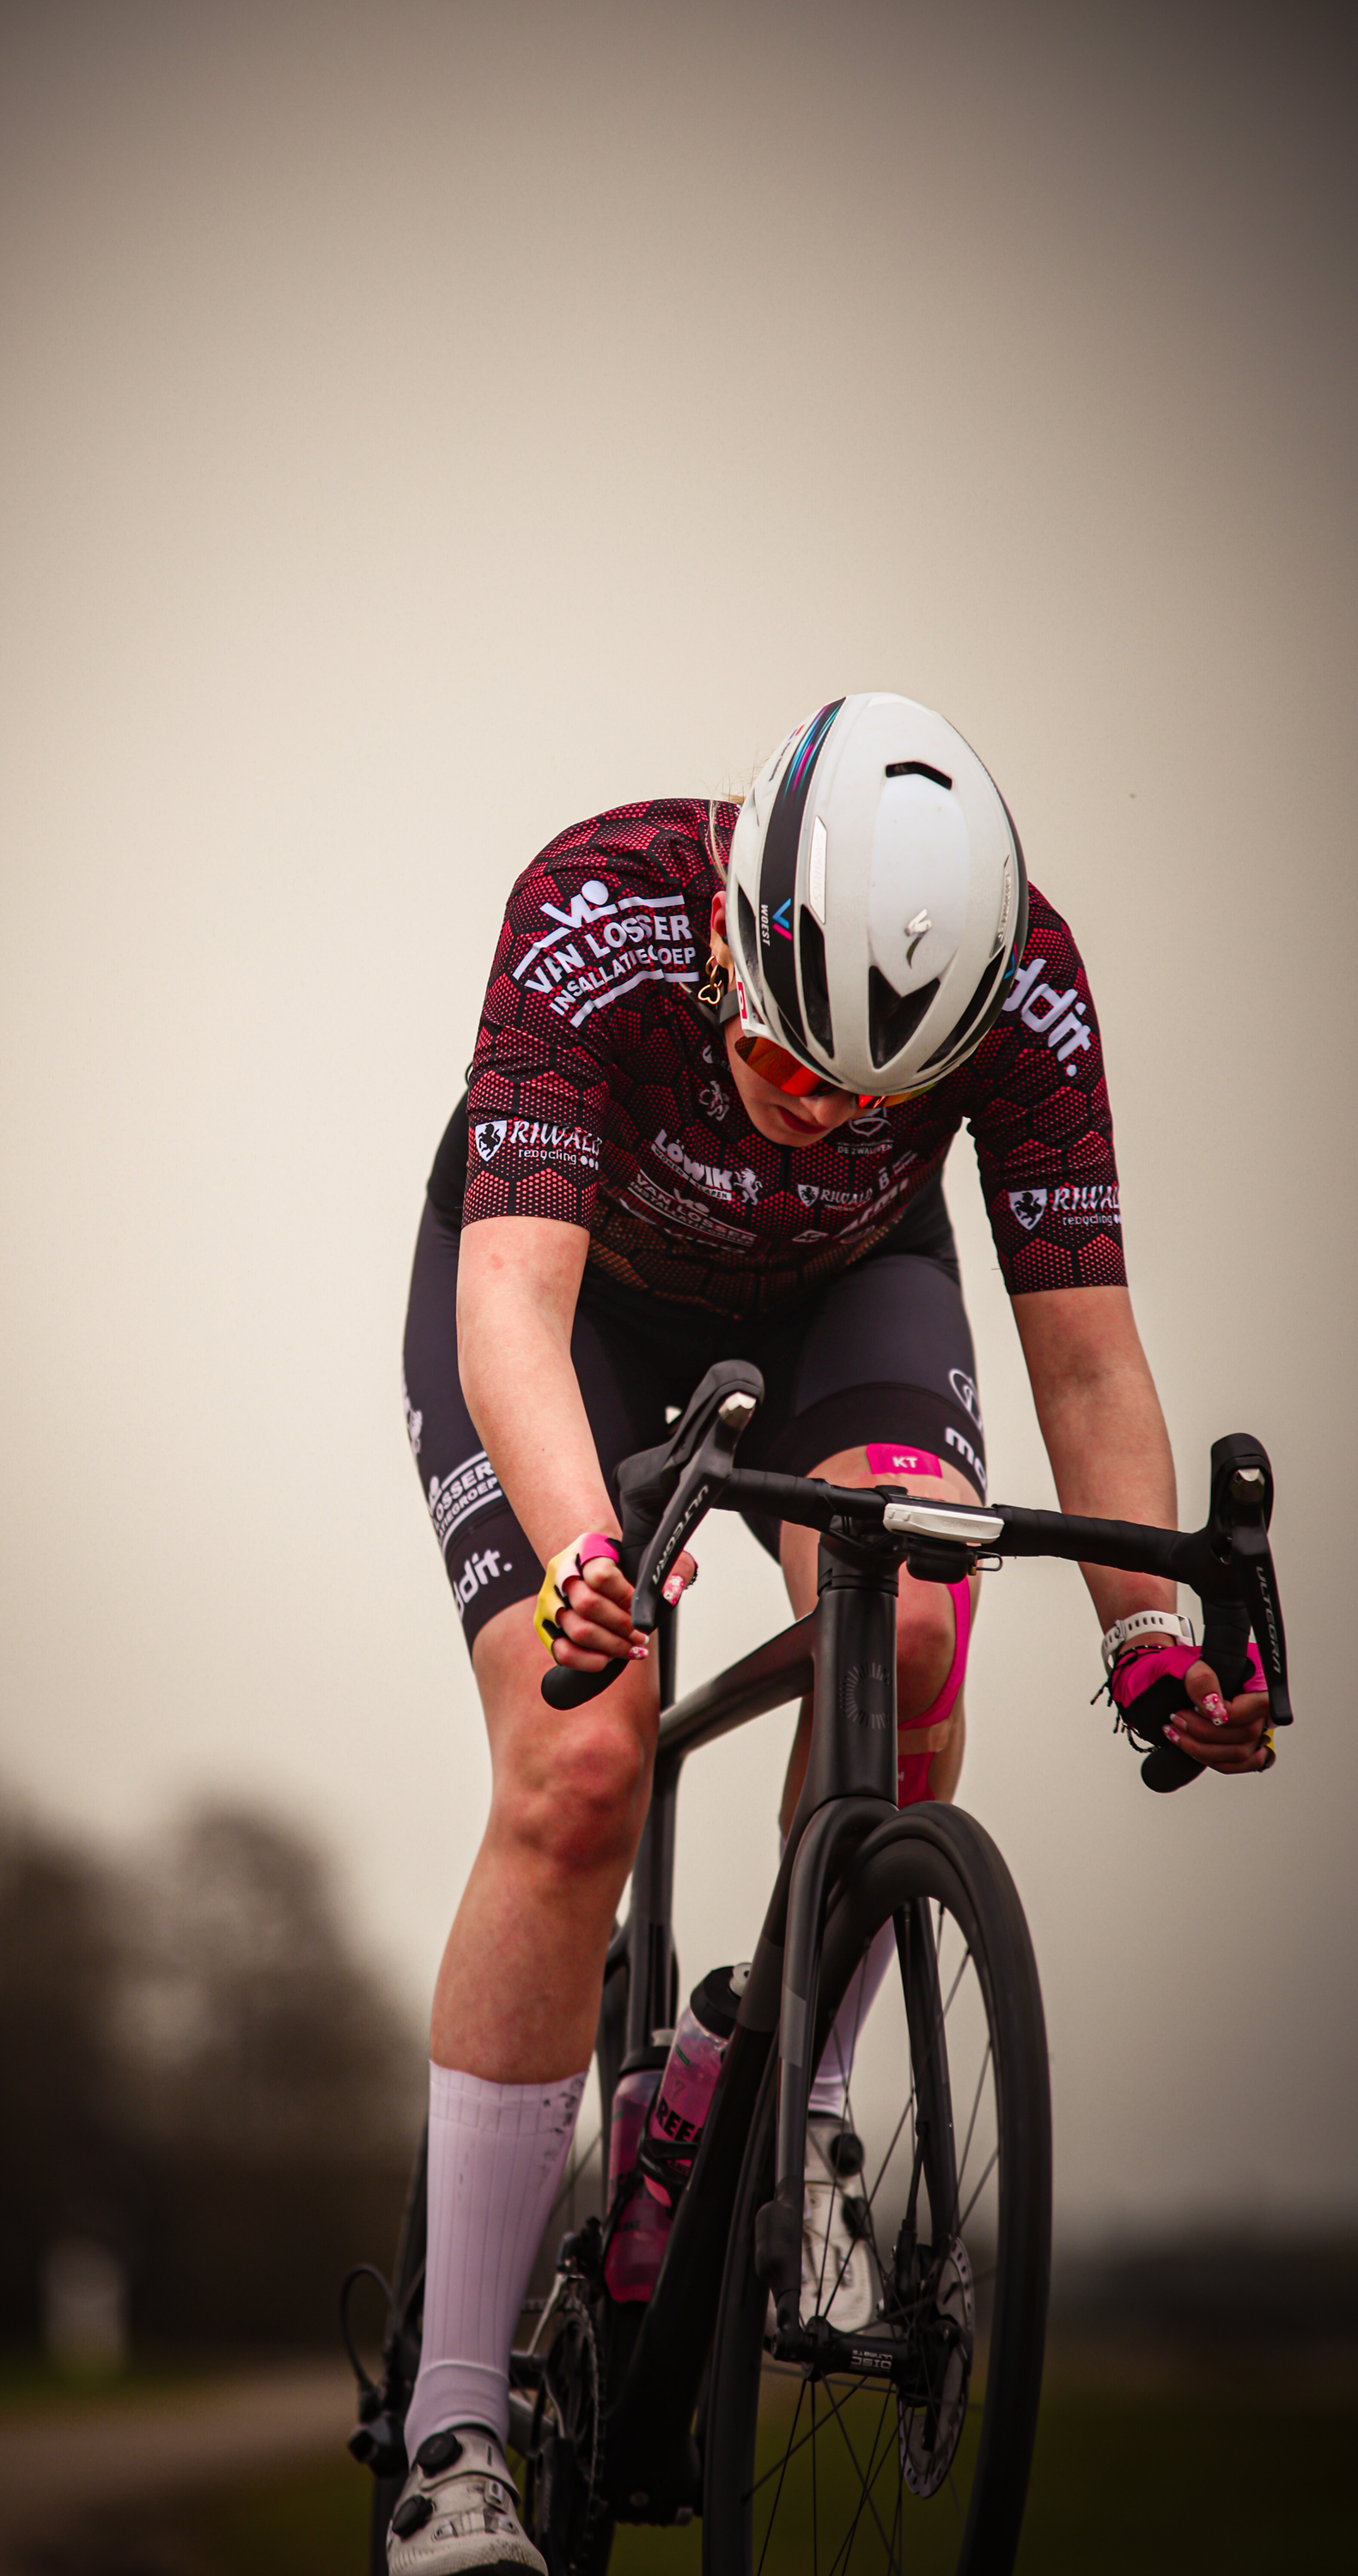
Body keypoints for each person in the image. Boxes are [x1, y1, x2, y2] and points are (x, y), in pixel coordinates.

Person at [390, 694, 1270, 2573]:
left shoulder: (1031, 984)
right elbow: (508, 1321)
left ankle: (778, 2108)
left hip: (849, 1301)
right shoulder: (597, 910)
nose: (827, 1118)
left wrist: (1143, 1633)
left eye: (885, 1101)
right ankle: (454, 2429)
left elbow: (1088, 1354)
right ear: (732, 927)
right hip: (575, 1312)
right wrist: (580, 1549)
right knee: (582, 1755)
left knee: (927, 1629)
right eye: (796, 1068)